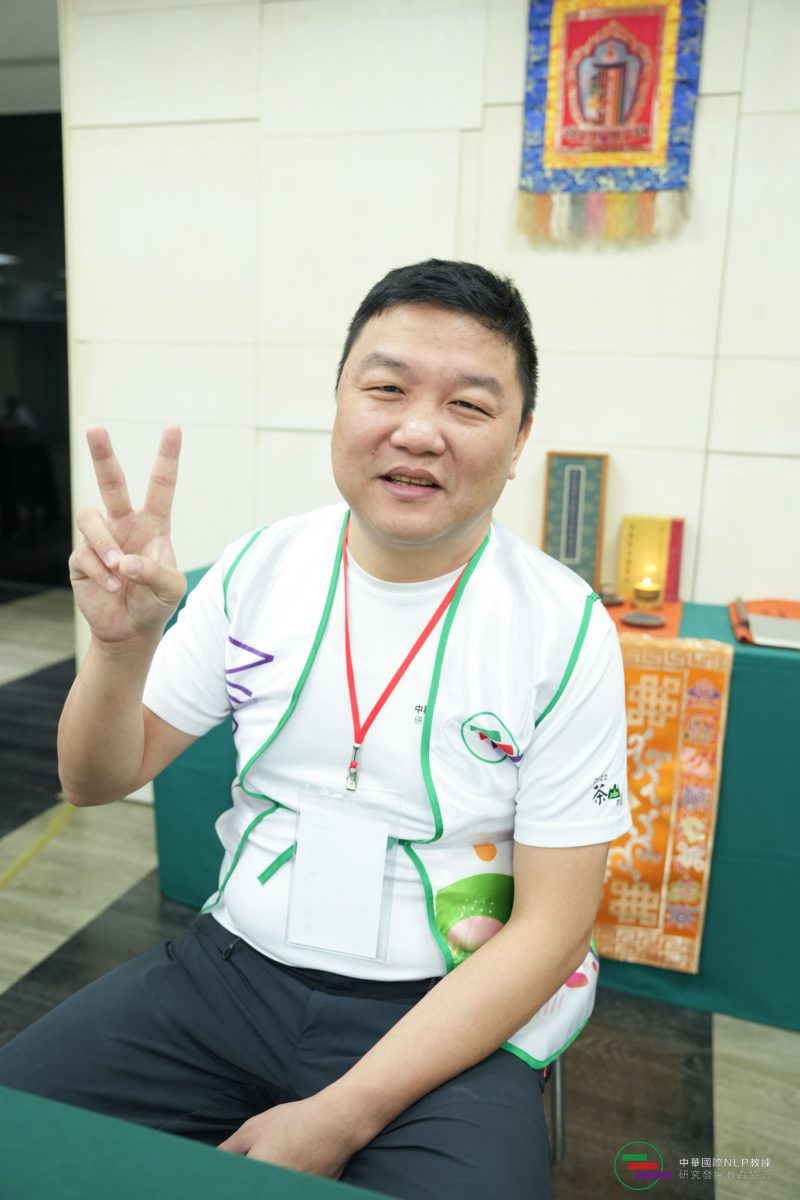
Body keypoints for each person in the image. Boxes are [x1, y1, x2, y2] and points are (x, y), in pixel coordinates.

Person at [0, 260, 630, 1199]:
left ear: (519, 439)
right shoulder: (259, 569)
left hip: (443, 1012)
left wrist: (342, 1113)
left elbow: (553, 927)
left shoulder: (562, 627)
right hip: (228, 974)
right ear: (337, 402)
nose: (417, 431)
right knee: (22, 1139)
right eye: (386, 389)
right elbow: (94, 780)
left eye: (468, 405)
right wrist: (121, 648)